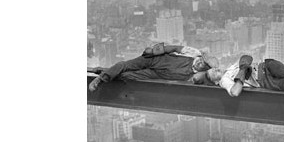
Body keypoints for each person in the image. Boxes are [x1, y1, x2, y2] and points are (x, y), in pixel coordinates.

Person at [88, 42, 219, 91]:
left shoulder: (197, 75)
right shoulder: (193, 52)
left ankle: (103, 73)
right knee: (124, 65)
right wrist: (153, 51)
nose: (201, 63)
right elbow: (172, 48)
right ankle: (99, 79)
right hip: (155, 60)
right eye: (202, 60)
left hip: (157, 74)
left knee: (126, 76)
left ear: (206, 69)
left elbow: (203, 80)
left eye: (204, 65)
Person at [199, 55, 284, 97]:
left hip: (265, 66)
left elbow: (247, 57)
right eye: (214, 73)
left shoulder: (229, 69)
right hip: (264, 79)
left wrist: (244, 63)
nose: (216, 69)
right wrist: (243, 71)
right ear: (215, 82)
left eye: (214, 69)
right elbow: (235, 92)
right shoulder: (224, 81)